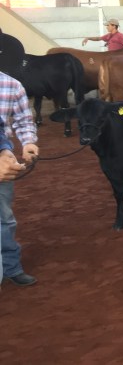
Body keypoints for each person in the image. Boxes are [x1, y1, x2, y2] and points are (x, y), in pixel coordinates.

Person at [0, 71, 39, 287]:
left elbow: (23, 121)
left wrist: (28, 142)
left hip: (3, 161)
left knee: (5, 218)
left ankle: (11, 267)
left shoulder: (12, 85)